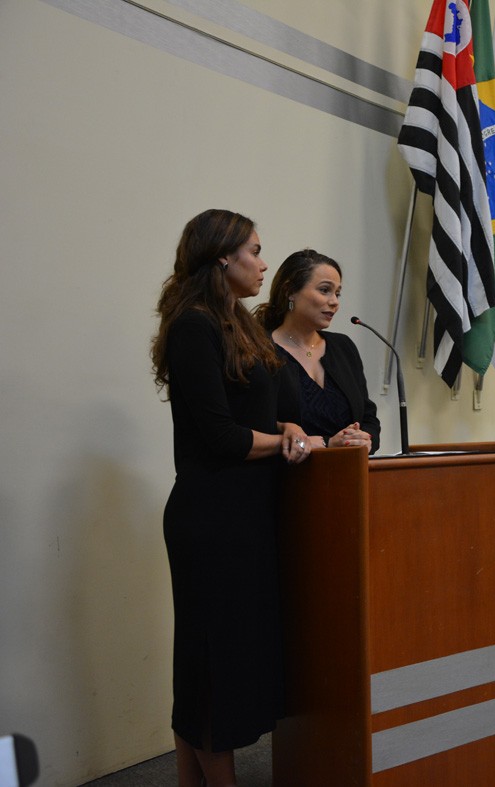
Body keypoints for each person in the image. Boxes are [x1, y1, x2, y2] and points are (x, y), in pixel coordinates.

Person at [150, 210, 311, 786]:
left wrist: (291, 427)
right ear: (223, 256)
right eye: (255, 251)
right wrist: (289, 442)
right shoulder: (193, 326)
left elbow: (262, 413)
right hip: (211, 518)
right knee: (210, 661)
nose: (264, 264)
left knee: (215, 660)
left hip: (245, 515)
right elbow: (221, 437)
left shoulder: (238, 322)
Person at [255, 249, 380, 454]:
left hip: (349, 470)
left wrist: (365, 439)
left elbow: (368, 416)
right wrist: (328, 443)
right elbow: (255, 424)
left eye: (337, 293)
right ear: (290, 291)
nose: (334, 302)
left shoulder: (343, 347)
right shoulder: (259, 349)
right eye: (325, 290)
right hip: (287, 471)